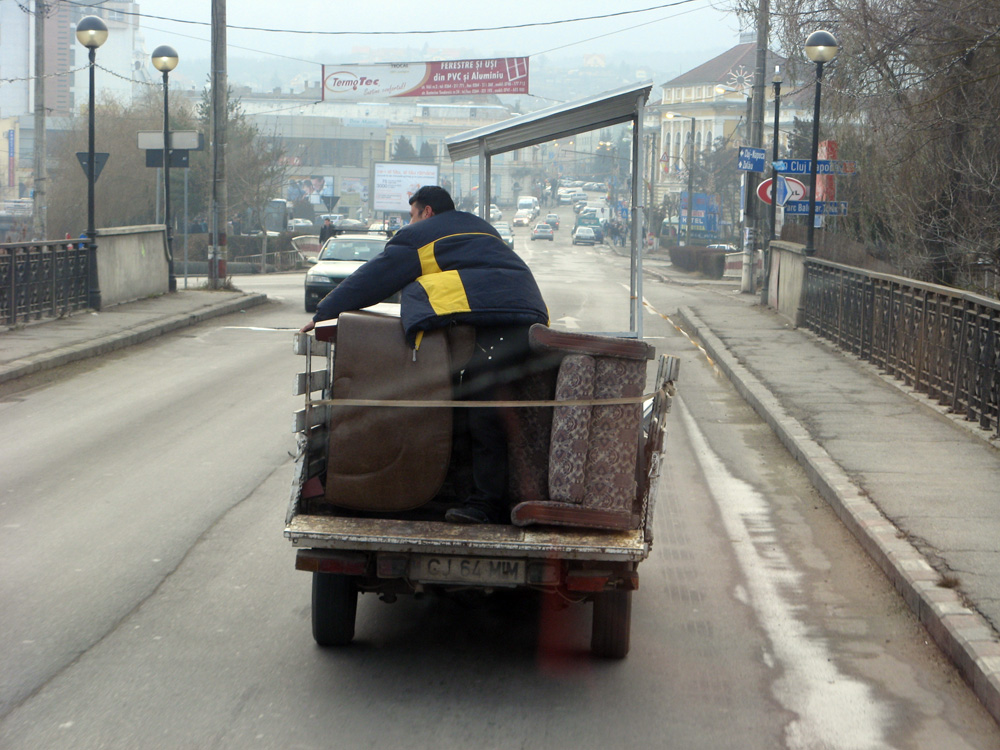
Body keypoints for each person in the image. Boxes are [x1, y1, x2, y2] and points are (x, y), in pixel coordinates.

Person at [300, 186, 549, 525]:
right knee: (474, 403)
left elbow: (377, 277)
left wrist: (324, 312)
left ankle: (486, 505)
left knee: (482, 409)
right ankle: (469, 493)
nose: (410, 222)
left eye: (413, 214)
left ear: (427, 212)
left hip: (502, 318)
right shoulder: (476, 227)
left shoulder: (424, 234)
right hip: (523, 317)